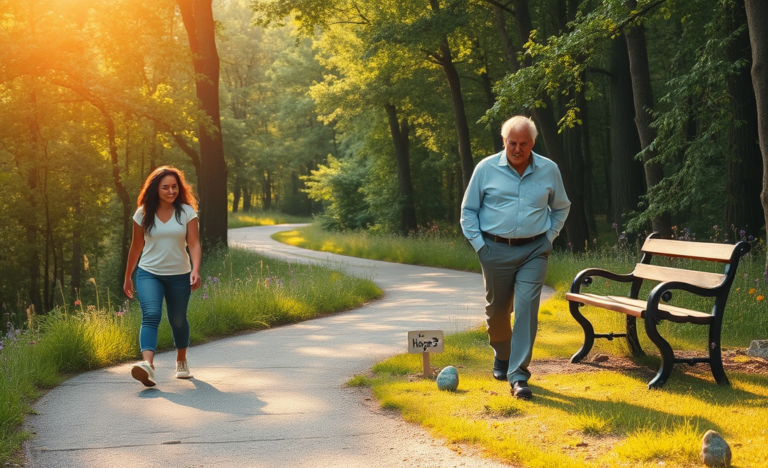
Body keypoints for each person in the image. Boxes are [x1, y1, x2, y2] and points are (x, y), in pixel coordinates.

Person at [460, 116, 570, 399]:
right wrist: (480, 246)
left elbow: (561, 207)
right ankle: (502, 352)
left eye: (523, 144)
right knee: (497, 314)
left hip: (534, 250)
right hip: (494, 249)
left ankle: (518, 375)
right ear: (504, 142)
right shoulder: (486, 169)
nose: (517, 149)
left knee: (525, 310)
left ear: (533, 143)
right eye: (512, 143)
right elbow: (468, 210)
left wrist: (549, 237)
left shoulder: (549, 169)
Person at [123, 166, 202, 387]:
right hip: (149, 273)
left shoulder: (186, 212)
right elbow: (136, 246)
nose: (170, 191)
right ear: (155, 189)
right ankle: (147, 366)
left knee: (178, 319)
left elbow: (194, 243)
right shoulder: (142, 213)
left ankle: (182, 360)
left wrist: (195, 270)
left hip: (180, 275)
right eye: (165, 187)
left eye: (174, 187)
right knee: (151, 314)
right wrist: (128, 275)